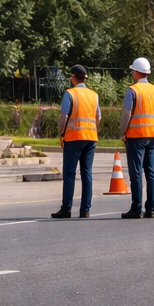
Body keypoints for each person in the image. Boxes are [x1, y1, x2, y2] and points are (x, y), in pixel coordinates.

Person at [51, 65, 101, 219]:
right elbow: (98, 117)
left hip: (73, 138)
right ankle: (85, 209)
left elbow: (64, 116)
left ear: (73, 78)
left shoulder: (70, 93)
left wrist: (62, 133)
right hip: (90, 138)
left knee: (70, 173)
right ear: (85, 79)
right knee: (87, 173)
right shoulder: (94, 95)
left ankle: (66, 208)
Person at [119, 57, 154, 219]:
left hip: (136, 136)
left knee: (136, 173)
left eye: (133, 70)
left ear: (137, 72)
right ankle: (151, 208)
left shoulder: (132, 90)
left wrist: (123, 132)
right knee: (151, 172)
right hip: (153, 135)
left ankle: (136, 208)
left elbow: (127, 114)